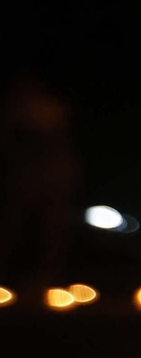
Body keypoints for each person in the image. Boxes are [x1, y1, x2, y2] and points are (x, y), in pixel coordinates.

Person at [0, 72, 78, 287]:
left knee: (51, 229)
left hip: (53, 178)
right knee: (13, 224)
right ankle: (9, 274)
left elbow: (62, 146)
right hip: (24, 177)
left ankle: (46, 277)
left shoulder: (53, 109)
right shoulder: (16, 111)